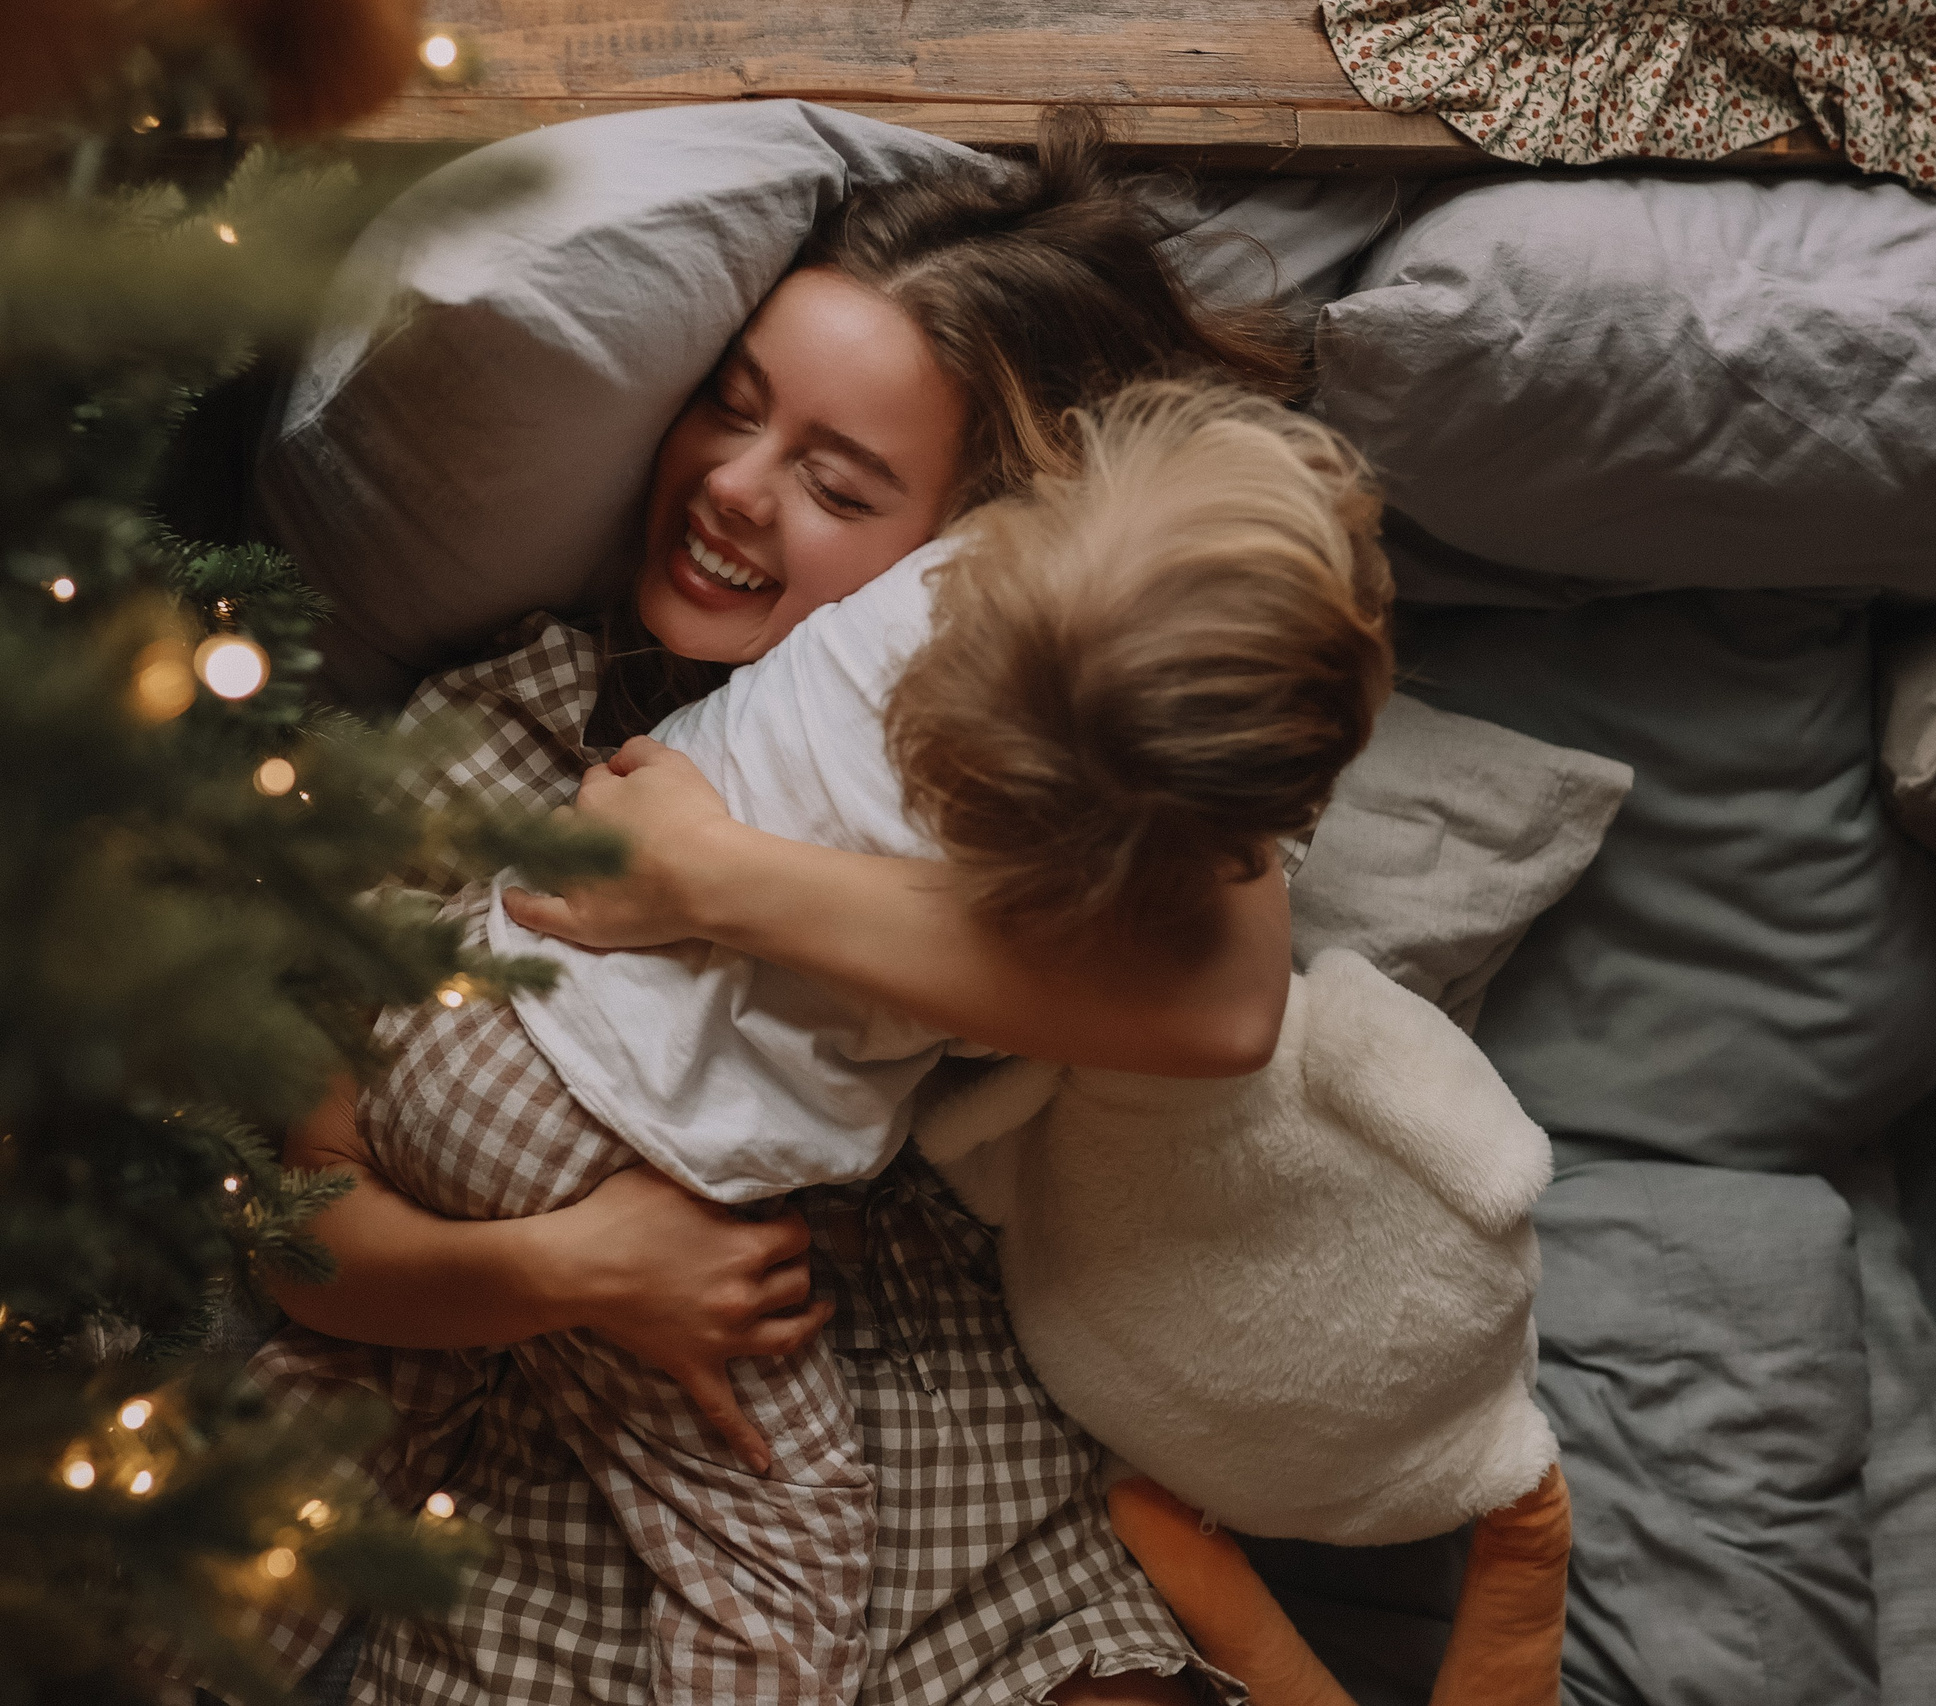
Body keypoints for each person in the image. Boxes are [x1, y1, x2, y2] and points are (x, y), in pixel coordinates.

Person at [260, 117, 1305, 1706]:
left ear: (965, 565)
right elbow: (300, 1230)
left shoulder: (1022, 783)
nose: (736, 488)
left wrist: (715, 882)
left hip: (951, 1465)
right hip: (594, 1509)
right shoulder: (512, 726)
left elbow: (1227, 1001)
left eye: (836, 480)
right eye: (731, 407)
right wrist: (571, 1266)